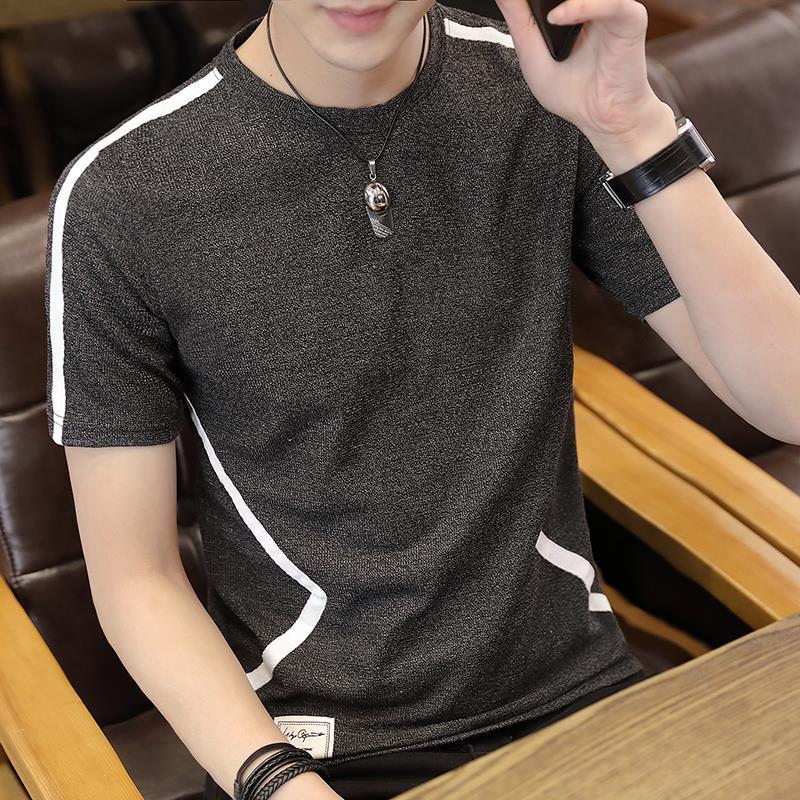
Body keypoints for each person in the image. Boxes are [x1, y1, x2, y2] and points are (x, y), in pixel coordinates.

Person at [44, 0, 800, 797]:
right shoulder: (121, 197)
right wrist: (276, 781)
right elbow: (138, 579)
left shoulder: (542, 95)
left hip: (575, 692)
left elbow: (788, 401)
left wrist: (631, 126)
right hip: (318, 747)